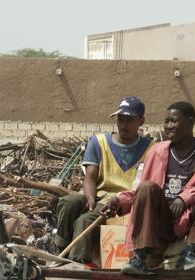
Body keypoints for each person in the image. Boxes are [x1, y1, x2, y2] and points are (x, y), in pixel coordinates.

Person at [101, 101, 195, 274]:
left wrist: (184, 198)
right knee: (147, 187)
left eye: (174, 121)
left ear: (190, 122)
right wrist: (118, 201)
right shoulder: (157, 152)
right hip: (161, 220)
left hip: (191, 221)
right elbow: (141, 190)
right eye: (166, 122)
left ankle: (192, 252)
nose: (168, 126)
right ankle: (141, 256)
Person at [54, 96, 153, 263]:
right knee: (69, 201)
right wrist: (91, 199)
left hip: (127, 202)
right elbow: (90, 178)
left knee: (85, 220)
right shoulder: (99, 142)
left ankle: (77, 264)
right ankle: (59, 249)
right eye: (120, 119)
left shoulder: (151, 148)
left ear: (141, 121)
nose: (123, 125)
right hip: (100, 196)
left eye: (129, 120)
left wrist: (118, 201)